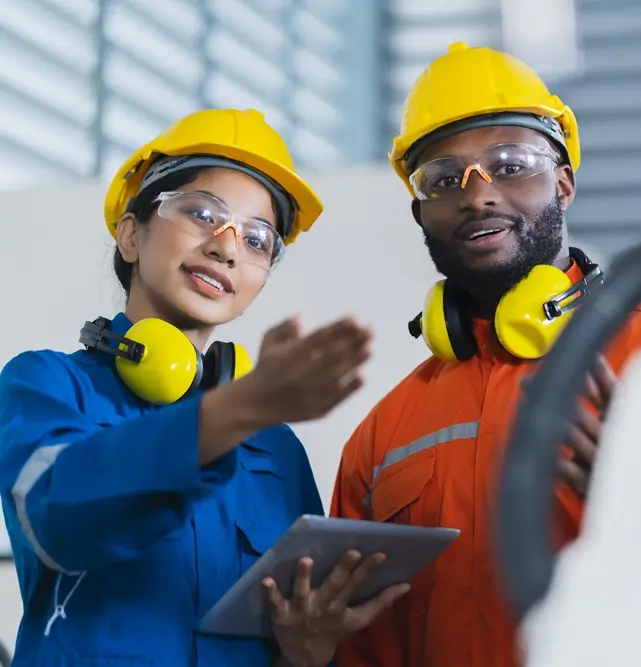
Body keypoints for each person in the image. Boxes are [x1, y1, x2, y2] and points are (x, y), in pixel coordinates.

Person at [322, 43, 641, 667]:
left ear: (563, 182)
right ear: (422, 212)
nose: (477, 196)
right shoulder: (385, 432)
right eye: (444, 179)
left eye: (509, 164)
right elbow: (363, 649)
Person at [0, 108, 406, 667]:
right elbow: (54, 518)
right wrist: (233, 411)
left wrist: (308, 653)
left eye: (259, 239)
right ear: (130, 234)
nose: (227, 246)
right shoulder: (45, 384)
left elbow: (292, 628)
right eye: (202, 213)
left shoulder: (275, 448)